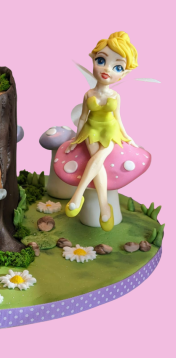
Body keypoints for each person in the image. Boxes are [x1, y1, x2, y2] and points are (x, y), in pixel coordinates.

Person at [65, 32, 138, 231]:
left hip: (110, 130)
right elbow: (83, 117)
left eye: (117, 67)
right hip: (91, 129)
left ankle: (77, 195)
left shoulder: (116, 95)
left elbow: (118, 118)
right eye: (101, 60)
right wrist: (77, 137)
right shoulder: (88, 94)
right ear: (93, 60)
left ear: (123, 74)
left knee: (100, 156)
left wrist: (127, 136)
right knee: (97, 161)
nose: (107, 69)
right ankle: (104, 206)